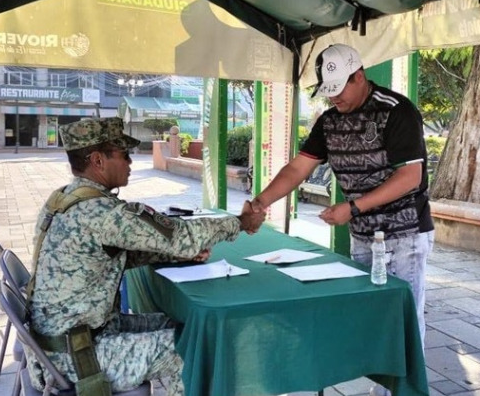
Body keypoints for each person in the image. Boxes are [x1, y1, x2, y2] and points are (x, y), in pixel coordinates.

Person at [24, 117, 264, 395]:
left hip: (67, 341)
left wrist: (177, 255)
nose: (130, 163)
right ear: (98, 161)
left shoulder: (64, 198)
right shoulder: (102, 213)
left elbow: (116, 254)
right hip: (76, 357)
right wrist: (241, 222)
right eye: (124, 155)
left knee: (182, 326)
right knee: (189, 348)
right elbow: (180, 235)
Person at [250, 44, 433, 395]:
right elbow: (297, 168)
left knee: (403, 323)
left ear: (360, 77)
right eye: (328, 91)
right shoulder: (330, 119)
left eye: (339, 89)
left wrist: (353, 207)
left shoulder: (397, 112)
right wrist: (261, 202)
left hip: (404, 234)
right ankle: (382, 388)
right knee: (370, 321)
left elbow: (410, 177)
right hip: (363, 235)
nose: (334, 98)